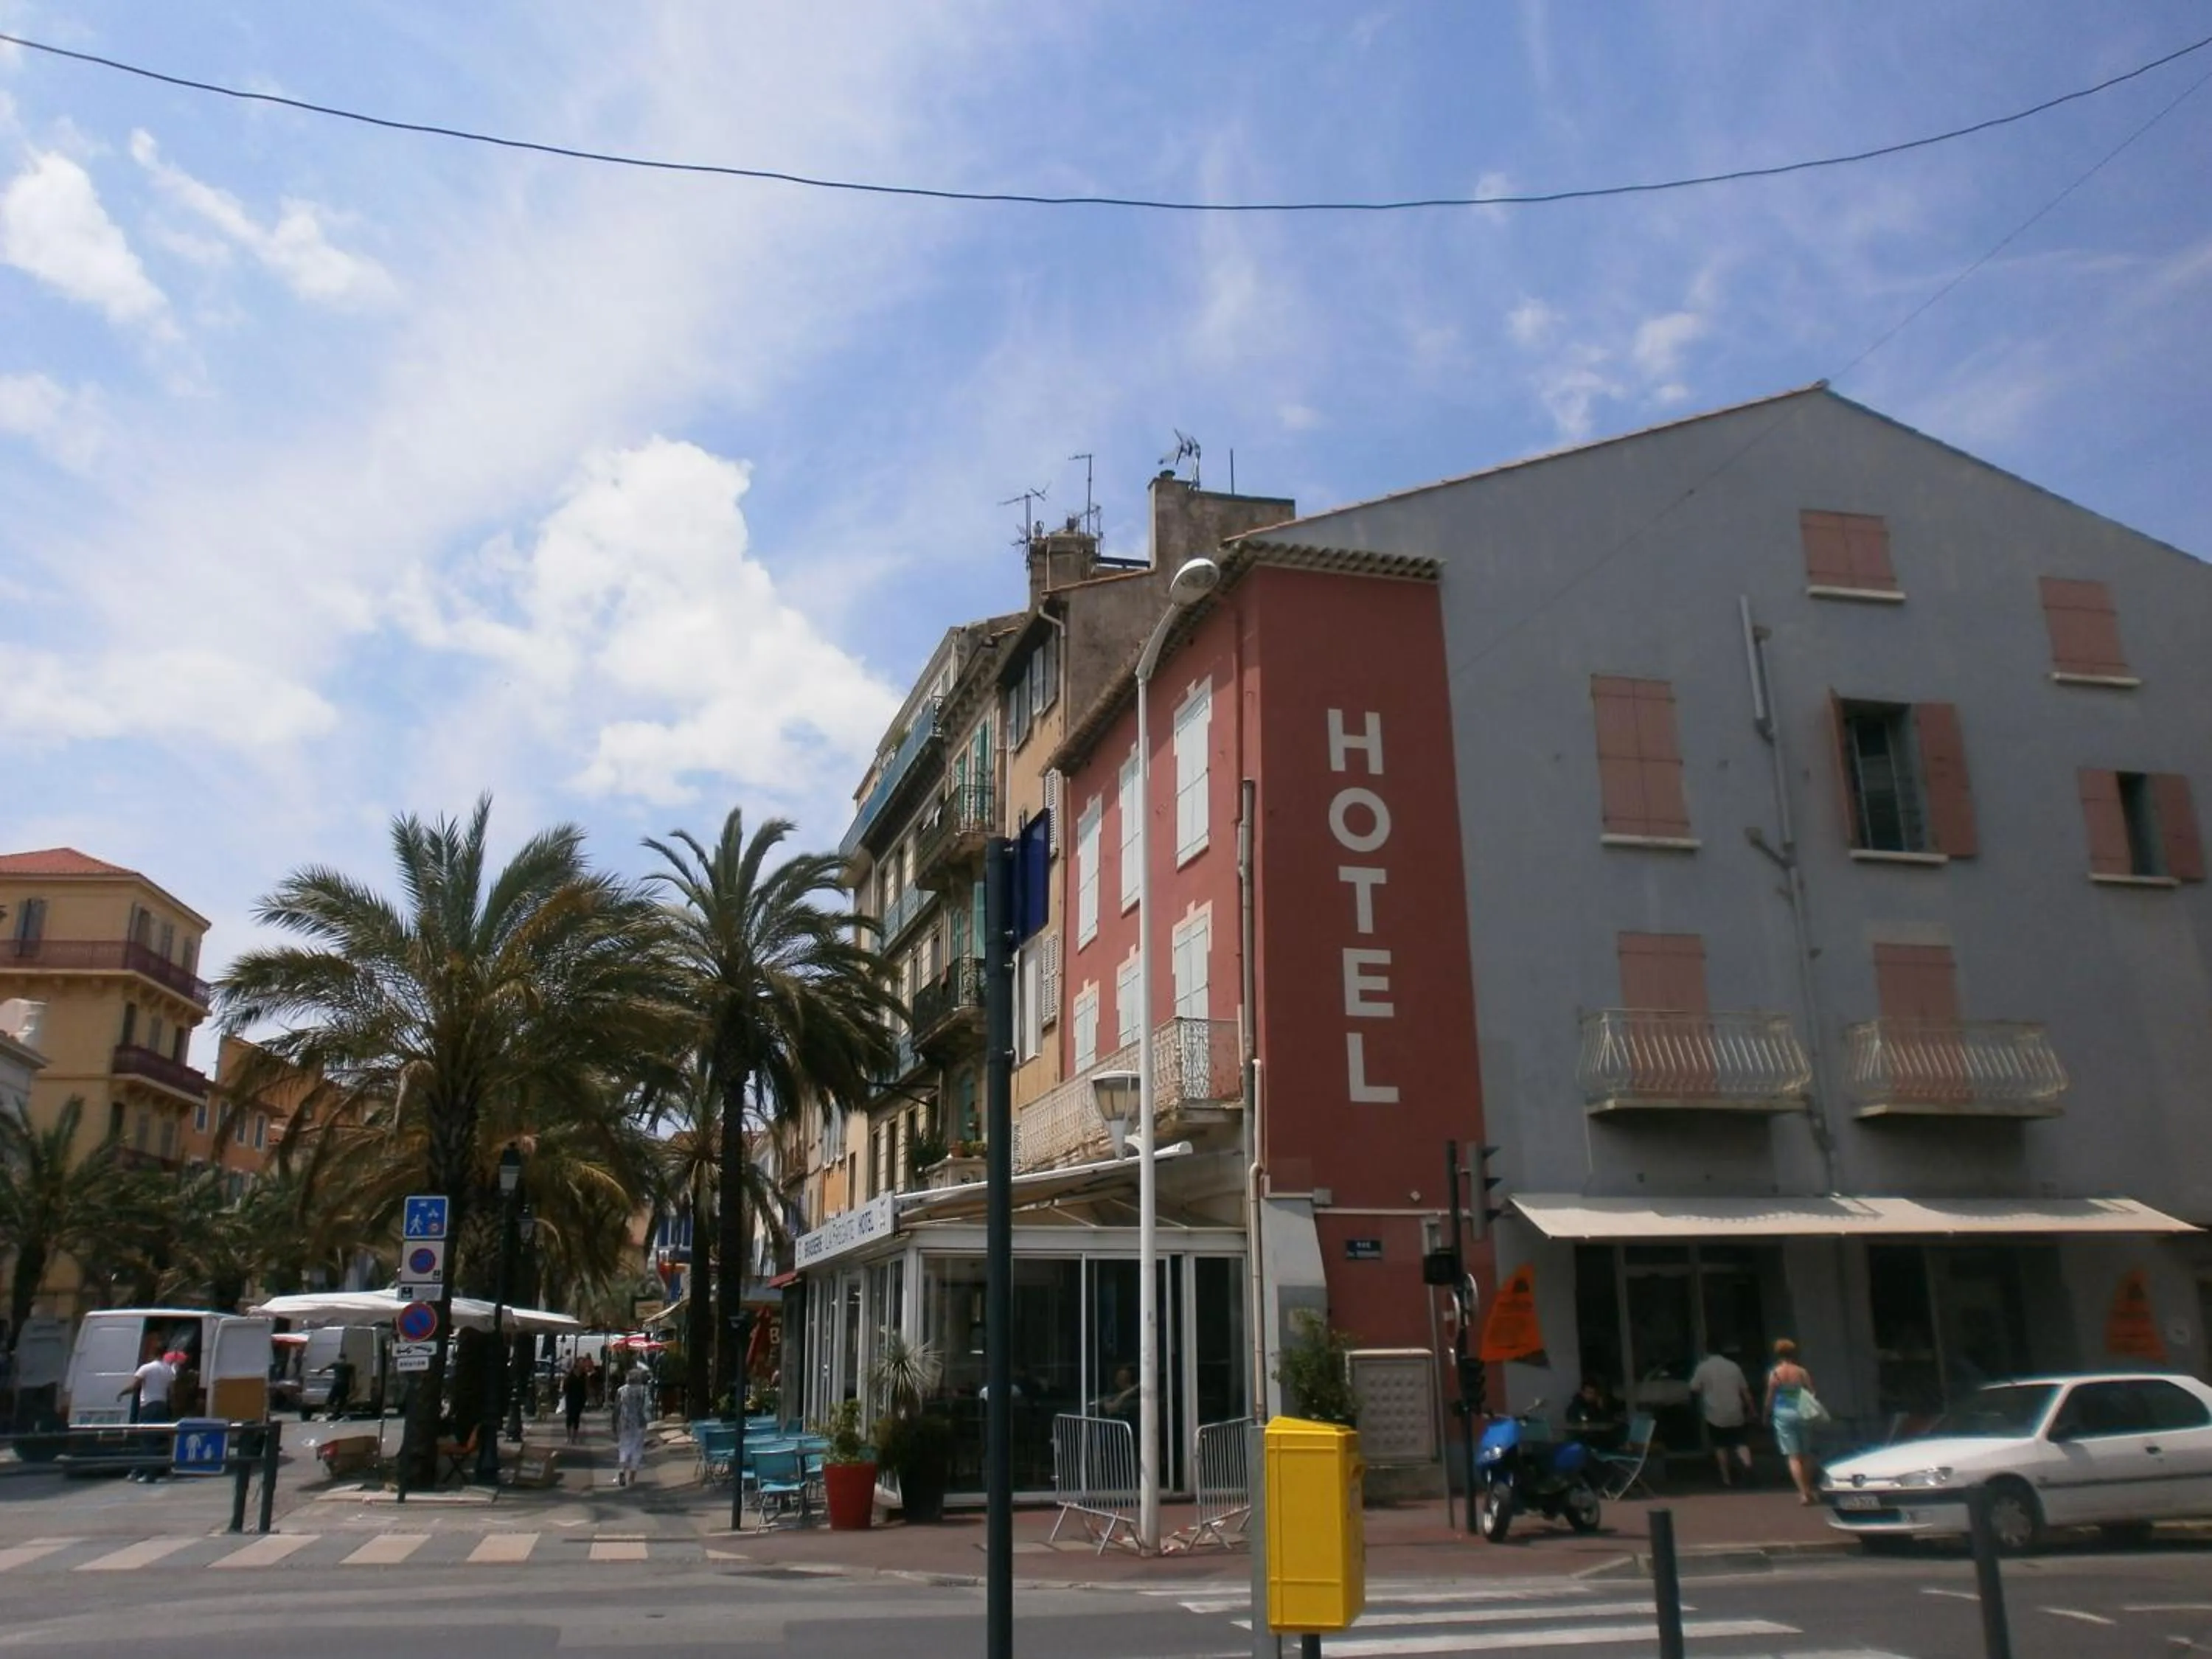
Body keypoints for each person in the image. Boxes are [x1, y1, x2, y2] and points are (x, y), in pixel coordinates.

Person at [1688, 1345, 1757, 1486]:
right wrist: (1752, 1410)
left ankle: (1726, 1479)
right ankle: (1748, 1465)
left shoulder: (1703, 1367)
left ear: (1707, 1352)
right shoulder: (1733, 1366)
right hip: (1735, 1410)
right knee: (1740, 1442)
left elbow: (1693, 1387)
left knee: (1720, 1446)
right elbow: (1745, 1392)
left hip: (1715, 1413)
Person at [1763, 1338, 1820, 1504]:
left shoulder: (1775, 1373)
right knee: (1806, 1454)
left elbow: (1770, 1396)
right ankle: (1809, 1488)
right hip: (1801, 1412)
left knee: (1793, 1456)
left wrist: (1765, 1414)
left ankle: (1803, 1493)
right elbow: (1812, 1392)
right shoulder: (1801, 1372)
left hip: (1783, 1413)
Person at [613, 1366, 651, 1488]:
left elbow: (617, 1408)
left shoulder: (621, 1390)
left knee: (624, 1448)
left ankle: (622, 1471)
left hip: (625, 1423)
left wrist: (614, 1423)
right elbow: (648, 1406)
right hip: (640, 1423)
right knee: (637, 1449)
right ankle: (632, 1478)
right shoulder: (644, 1390)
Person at [1565, 1377, 1624, 1451]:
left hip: (1597, 1437)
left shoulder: (1597, 1405)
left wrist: (1602, 1409)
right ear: (1582, 1393)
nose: (1591, 1396)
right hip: (1582, 1438)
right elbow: (1580, 1423)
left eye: (1593, 1393)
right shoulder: (1576, 1406)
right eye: (1589, 1393)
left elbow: (1606, 1422)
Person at [563, 1361, 588, 1444]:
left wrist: (586, 1397)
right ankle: (568, 1436)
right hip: (570, 1398)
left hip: (580, 1398)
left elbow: (586, 1387)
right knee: (569, 1417)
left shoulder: (584, 1376)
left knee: (577, 1417)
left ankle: (574, 1437)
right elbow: (565, 1387)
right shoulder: (570, 1375)